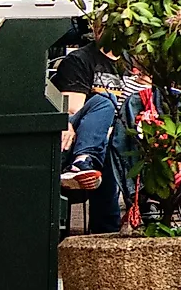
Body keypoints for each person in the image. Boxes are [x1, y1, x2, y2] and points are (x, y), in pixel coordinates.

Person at [51, 26, 132, 233]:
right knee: (105, 103)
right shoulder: (79, 60)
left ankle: (84, 165)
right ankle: (107, 230)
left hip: (124, 137)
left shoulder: (135, 63)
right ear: (95, 28)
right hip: (82, 135)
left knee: (111, 142)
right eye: (102, 25)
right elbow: (73, 110)